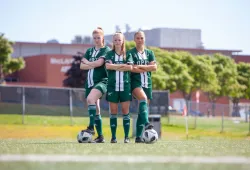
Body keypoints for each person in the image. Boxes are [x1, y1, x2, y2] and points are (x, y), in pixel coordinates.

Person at [80, 27, 111, 143]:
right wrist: (90, 64)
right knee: (96, 109)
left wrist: (88, 63)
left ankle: (91, 127)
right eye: (94, 38)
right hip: (89, 83)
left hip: (101, 81)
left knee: (90, 99)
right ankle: (101, 137)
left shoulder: (106, 50)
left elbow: (100, 63)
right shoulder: (89, 51)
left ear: (103, 37)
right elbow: (81, 66)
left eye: (99, 37)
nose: (96, 40)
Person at [127, 31, 157, 143]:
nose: (140, 40)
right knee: (143, 99)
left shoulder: (150, 53)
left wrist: (139, 66)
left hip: (147, 84)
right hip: (136, 83)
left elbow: (154, 68)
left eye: (142, 38)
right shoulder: (130, 53)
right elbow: (132, 68)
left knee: (142, 110)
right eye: (138, 38)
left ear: (144, 39)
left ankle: (138, 137)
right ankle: (147, 124)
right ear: (134, 40)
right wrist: (147, 67)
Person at [105, 32, 133, 143]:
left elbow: (130, 67)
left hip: (125, 86)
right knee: (113, 112)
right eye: (115, 40)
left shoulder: (128, 54)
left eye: (119, 40)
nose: (117, 42)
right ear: (113, 41)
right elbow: (108, 66)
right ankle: (113, 137)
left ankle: (126, 137)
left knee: (126, 112)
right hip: (112, 86)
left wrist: (114, 66)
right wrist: (122, 66)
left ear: (123, 41)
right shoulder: (109, 54)